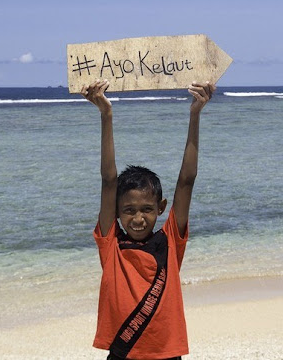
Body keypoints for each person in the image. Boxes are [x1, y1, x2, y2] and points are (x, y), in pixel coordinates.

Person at [81, 79, 215, 360]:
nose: (139, 219)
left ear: (161, 208)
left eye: (147, 209)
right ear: (117, 212)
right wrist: (106, 114)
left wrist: (195, 114)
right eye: (129, 210)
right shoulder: (111, 246)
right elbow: (108, 180)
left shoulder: (170, 243)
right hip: (123, 354)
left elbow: (187, 180)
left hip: (167, 354)